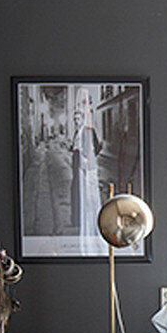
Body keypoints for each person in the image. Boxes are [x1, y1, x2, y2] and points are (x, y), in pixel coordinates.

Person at [69, 102, 102, 248]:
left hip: (85, 168)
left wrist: (88, 159)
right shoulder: (78, 131)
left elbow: (97, 146)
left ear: (83, 118)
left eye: (78, 119)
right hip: (77, 165)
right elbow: (75, 147)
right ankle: (76, 219)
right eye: (75, 119)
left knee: (87, 195)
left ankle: (89, 221)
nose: (76, 121)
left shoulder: (89, 130)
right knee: (76, 191)